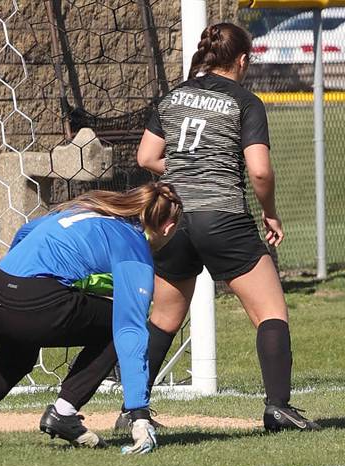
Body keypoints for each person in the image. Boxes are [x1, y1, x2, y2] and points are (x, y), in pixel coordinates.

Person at [125, 21, 318, 431]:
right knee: (271, 311)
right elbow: (260, 172)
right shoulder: (245, 102)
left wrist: (184, 171)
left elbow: (146, 156)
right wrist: (270, 212)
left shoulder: (173, 96)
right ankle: (278, 407)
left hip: (173, 218)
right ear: (243, 59)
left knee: (162, 319)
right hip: (222, 216)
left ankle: (134, 410)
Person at [0, 182, 182, 453]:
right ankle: (64, 411)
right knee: (117, 324)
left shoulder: (85, 207)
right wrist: (139, 414)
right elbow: (130, 330)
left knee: (14, 360)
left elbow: (25, 231)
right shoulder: (133, 245)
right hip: (31, 305)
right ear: (168, 228)